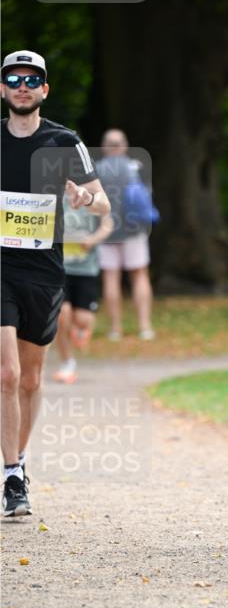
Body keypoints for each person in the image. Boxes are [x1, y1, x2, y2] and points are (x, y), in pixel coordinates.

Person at [1, 49, 110, 517]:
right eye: (14, 78)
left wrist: (85, 197)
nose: (22, 86)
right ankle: (10, 478)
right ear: (2, 88)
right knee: (5, 374)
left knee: (30, 379)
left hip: (43, 271)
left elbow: (104, 204)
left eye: (32, 80)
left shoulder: (64, 141)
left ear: (44, 89)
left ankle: (20, 461)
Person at [96, 129, 155, 340]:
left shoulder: (97, 170)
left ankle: (115, 329)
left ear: (104, 147)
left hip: (107, 231)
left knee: (111, 278)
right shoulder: (136, 167)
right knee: (139, 276)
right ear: (124, 146)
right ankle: (145, 327)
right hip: (134, 230)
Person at [52, 200, 114, 383]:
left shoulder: (92, 190)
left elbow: (107, 224)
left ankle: (79, 330)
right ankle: (67, 363)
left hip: (87, 269)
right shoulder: (51, 190)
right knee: (62, 315)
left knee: (83, 320)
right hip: (59, 268)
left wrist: (92, 240)